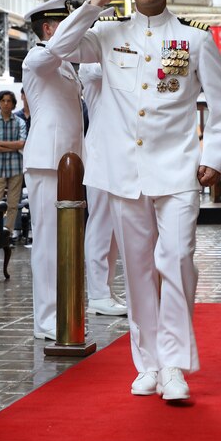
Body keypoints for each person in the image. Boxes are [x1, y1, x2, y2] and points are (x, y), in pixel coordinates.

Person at [52, 0, 221, 402]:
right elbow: (59, 48)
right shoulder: (108, 34)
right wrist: (95, 3)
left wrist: (214, 156)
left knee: (175, 261)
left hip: (176, 170)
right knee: (136, 271)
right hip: (122, 172)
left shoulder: (194, 38)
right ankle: (147, 363)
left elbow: (220, 102)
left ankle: (173, 364)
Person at [21, 0, 86, 340]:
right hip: (47, 161)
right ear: (48, 29)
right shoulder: (38, 58)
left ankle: (62, 309)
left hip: (69, 161)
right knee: (46, 242)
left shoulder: (65, 64)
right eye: (65, 23)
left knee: (66, 240)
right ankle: (45, 318)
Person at [78, 62, 128, 317]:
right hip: (100, 153)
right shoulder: (91, 62)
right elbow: (97, 70)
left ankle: (106, 288)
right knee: (100, 225)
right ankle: (97, 293)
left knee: (113, 230)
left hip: (120, 154)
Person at [0, 90, 27, 241]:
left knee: (13, 203)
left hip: (16, 167)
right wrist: (12, 147)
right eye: (3, 100)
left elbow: (22, 143)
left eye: (9, 101)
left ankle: (7, 233)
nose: (6, 103)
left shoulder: (20, 122)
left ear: (14, 104)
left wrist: (0, 143)